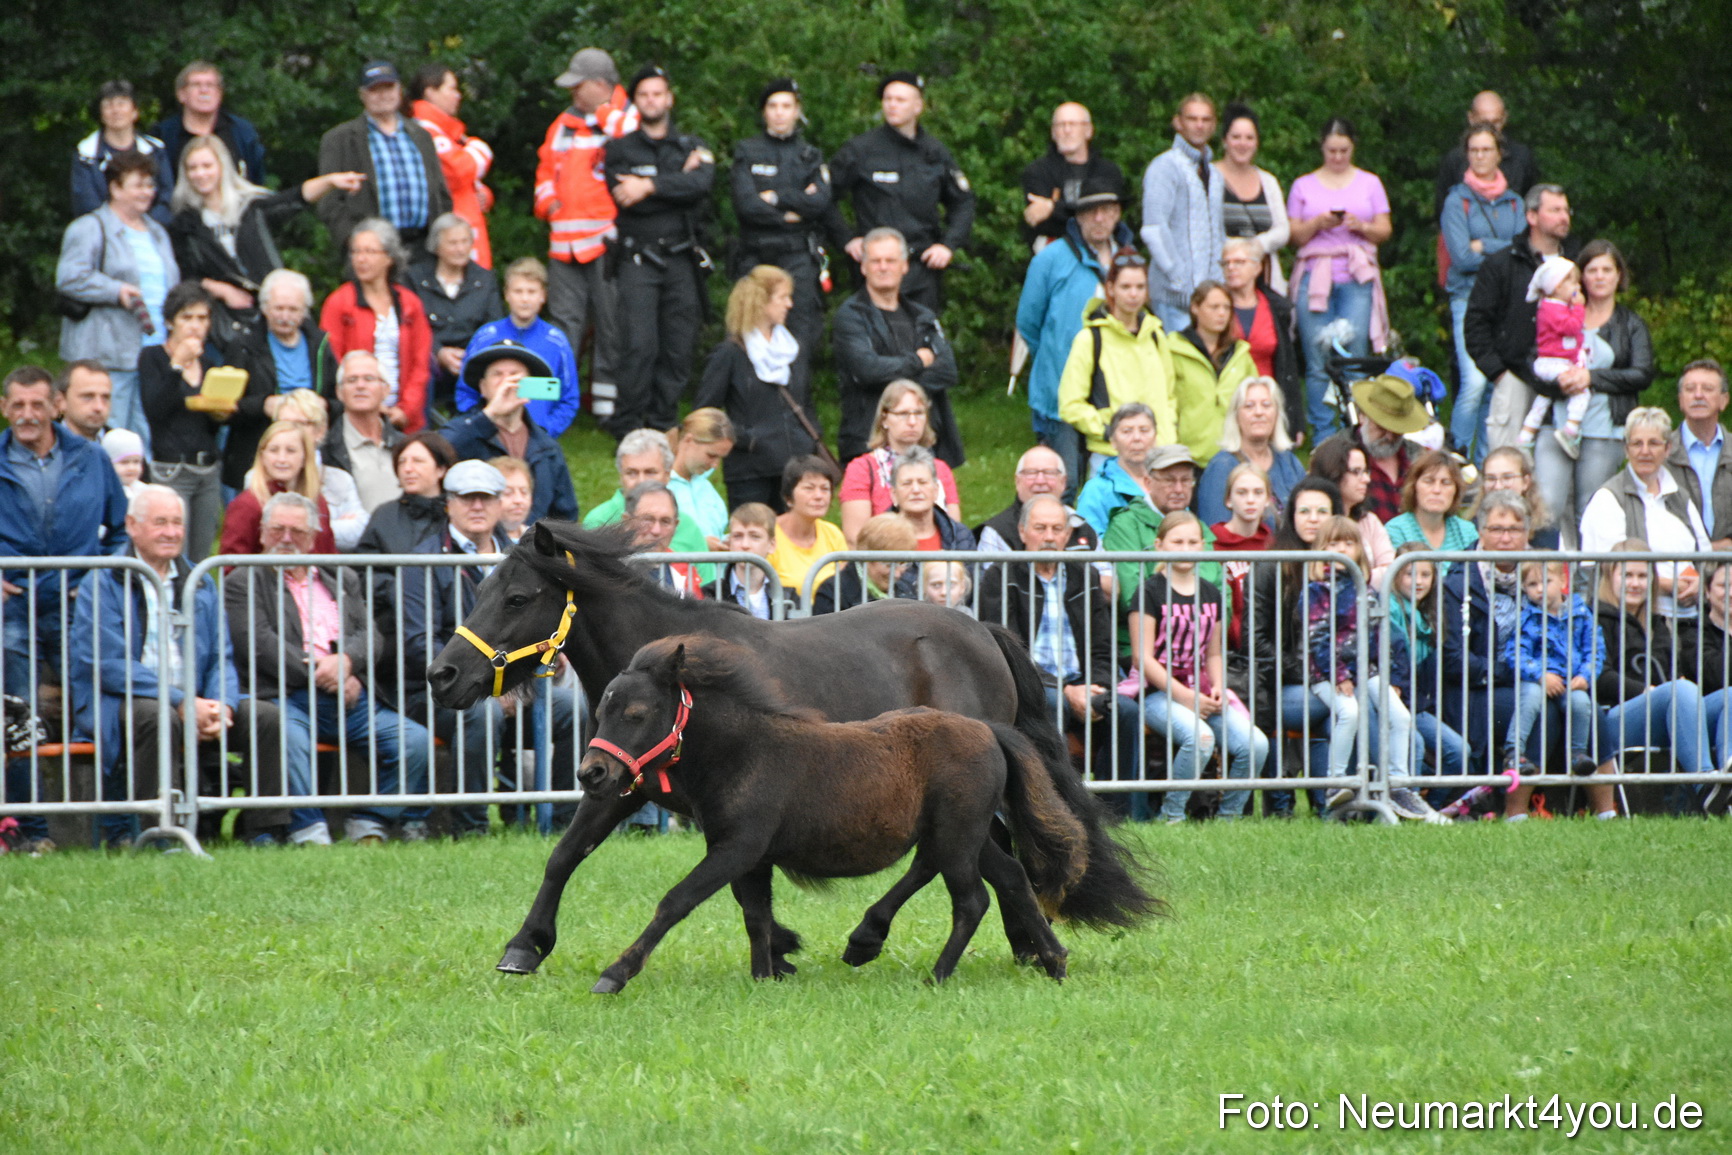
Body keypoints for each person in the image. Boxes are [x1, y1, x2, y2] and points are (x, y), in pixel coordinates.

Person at [68, 485, 291, 846]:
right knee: (160, 717)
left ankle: (265, 831)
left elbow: (221, 656)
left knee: (265, 717)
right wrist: (180, 700)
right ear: (132, 525)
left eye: (177, 522)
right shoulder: (104, 581)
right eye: (160, 523)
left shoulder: (201, 581)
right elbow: (107, 664)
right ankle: (159, 833)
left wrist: (222, 706)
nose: (171, 532)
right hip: (121, 701)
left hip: (194, 701)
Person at [226, 491, 436, 846]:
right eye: (278, 530)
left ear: (313, 538)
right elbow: (259, 643)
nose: (287, 539)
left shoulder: (340, 577)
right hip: (286, 696)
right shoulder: (244, 581)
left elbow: (370, 635)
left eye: (298, 531)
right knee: (288, 738)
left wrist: (349, 663)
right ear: (262, 533)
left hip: (351, 696)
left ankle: (370, 822)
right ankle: (308, 829)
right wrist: (324, 674)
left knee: (415, 741)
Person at [401, 461, 580, 837]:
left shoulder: (522, 559)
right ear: (448, 504)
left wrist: (540, 662)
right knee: (483, 715)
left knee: (574, 710)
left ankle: (567, 823)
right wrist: (487, 685)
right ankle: (472, 827)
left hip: (516, 684)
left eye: (486, 498)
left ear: (501, 504)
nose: (477, 506)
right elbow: (421, 644)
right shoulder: (422, 560)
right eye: (467, 498)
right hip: (444, 689)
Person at [981, 494, 1146, 817]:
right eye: (1040, 528)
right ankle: (1054, 810)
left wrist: (1096, 685)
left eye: (1057, 529)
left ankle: (1121, 813)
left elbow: (1103, 645)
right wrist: (1065, 690)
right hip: (1027, 684)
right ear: (1022, 531)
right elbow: (1008, 651)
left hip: (1081, 684)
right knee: (1054, 705)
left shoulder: (1084, 575)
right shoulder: (1002, 576)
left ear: (1068, 535)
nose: (1049, 537)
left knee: (1125, 711)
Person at [1126, 510, 1265, 822]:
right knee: (1200, 738)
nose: (1185, 547)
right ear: (1159, 545)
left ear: (1203, 545)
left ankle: (1229, 818)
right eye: (1177, 541)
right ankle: (1171, 815)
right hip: (1155, 692)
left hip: (1202, 690)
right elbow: (1143, 658)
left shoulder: (1212, 592)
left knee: (1256, 744)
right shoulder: (1147, 592)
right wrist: (1187, 698)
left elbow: (1214, 654)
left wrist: (1217, 687)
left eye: (1192, 541)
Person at [0, 366, 128, 702]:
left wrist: (99, 578)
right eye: (18, 405)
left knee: (90, 703)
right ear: (4, 407)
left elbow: (124, 530)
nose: (27, 415)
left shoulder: (93, 459)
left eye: (37, 405)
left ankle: (92, 757)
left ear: (56, 405)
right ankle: (27, 758)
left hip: (76, 602)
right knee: (19, 712)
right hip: (11, 603)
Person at [605, 65, 716, 434]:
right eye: (644, 94)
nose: (652, 100)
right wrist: (676, 182)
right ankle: (627, 426)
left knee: (679, 345)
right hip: (638, 258)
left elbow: (701, 186)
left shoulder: (691, 145)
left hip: (682, 257)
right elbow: (624, 198)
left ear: (669, 98)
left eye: (658, 93)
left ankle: (663, 423)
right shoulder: (620, 149)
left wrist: (649, 186)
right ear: (635, 102)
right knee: (638, 345)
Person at [166, 134, 365, 339]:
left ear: (222, 166)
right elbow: (185, 276)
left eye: (207, 166)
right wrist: (222, 290)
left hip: (273, 307)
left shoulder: (251, 207)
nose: (200, 174)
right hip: (227, 321)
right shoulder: (184, 224)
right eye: (193, 168)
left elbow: (296, 198)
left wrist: (330, 181)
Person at [1436, 490, 1573, 781]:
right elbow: (1454, 660)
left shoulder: (1541, 574)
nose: (1506, 538)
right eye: (1497, 529)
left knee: (1580, 704)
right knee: (1541, 708)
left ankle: (1588, 801)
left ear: (1527, 532)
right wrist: (1523, 673)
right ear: (1480, 531)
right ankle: (1516, 805)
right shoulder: (1458, 580)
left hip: (1534, 680)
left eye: (1515, 529)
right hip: (1475, 689)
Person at [1018, 174, 1140, 489]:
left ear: (1118, 213)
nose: (1099, 218)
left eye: (1107, 209)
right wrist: (1055, 356)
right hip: (1060, 393)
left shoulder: (1130, 260)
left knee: (1114, 484)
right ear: (1077, 216)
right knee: (1063, 482)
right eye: (1090, 211)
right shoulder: (1050, 260)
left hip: (1115, 392)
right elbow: (1029, 323)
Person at [536, 48, 635, 427]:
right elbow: (545, 170)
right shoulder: (561, 124)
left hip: (606, 240)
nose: (574, 94)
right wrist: (548, 202)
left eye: (580, 86)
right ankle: (553, 405)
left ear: (600, 85)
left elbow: (633, 138)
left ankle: (607, 409)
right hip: (563, 242)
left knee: (612, 325)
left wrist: (602, 111)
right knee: (563, 326)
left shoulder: (623, 117)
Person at [1532, 239, 1655, 541]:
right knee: (1547, 504)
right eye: (1592, 270)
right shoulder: (1555, 312)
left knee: (1592, 509)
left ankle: (1591, 587)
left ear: (1618, 276)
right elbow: (1532, 361)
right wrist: (1557, 381)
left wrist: (1592, 378)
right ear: (1580, 276)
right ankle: (1543, 583)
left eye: (1607, 270)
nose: (1599, 277)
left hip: (1605, 427)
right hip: (1555, 422)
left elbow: (1642, 373)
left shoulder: (1630, 323)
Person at [824, 71, 974, 315]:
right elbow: (824, 197)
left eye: (900, 100)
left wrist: (948, 245)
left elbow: (964, 201)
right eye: (888, 99)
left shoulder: (935, 153)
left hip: (921, 268)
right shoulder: (861, 149)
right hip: (876, 270)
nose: (892, 105)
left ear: (918, 106)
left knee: (922, 344)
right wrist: (846, 239)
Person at [57, 151, 179, 448]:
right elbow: (69, 277)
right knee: (108, 436)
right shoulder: (89, 227)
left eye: (150, 185)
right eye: (138, 185)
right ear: (115, 188)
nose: (147, 192)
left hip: (154, 352)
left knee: (144, 440)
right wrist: (116, 290)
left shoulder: (158, 232)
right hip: (107, 355)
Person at [1286, 117, 1393, 441]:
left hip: (1356, 276)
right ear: (1322, 148)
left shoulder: (1370, 183)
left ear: (1353, 147)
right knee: (1318, 361)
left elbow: (1384, 229)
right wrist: (1318, 222)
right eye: (1331, 150)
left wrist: (1360, 226)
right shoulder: (1303, 185)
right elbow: (1293, 235)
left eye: (1343, 150)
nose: (1337, 157)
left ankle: (1358, 431)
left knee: (1355, 357)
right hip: (1315, 276)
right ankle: (1324, 436)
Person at [1303, 516, 1418, 815]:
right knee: (1349, 711)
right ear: (1321, 549)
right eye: (1334, 543)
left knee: (1401, 718)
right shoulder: (1316, 590)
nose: (1342, 549)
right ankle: (1336, 780)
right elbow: (1317, 638)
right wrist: (1338, 674)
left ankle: (1398, 784)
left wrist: (1390, 676)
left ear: (1359, 549)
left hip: (1365, 670)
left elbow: (1381, 638)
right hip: (1326, 672)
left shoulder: (1365, 590)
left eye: (1349, 542)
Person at [1592, 543, 1712, 818]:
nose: (1636, 583)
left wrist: (1672, 687)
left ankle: (1725, 784)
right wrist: (1647, 691)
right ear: (1610, 577)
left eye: (1643, 576)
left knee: (1728, 697)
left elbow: (1676, 674)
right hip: (1611, 720)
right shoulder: (1595, 617)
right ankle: (1706, 783)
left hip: (1664, 711)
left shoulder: (1658, 623)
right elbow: (1599, 675)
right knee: (1678, 691)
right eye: (1628, 575)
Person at [1250, 478, 1346, 815]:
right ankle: (1287, 803)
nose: (1313, 518)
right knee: (1336, 708)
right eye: (1304, 510)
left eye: (1323, 511)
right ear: (1291, 516)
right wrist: (1308, 673)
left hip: (1329, 681)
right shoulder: (1269, 565)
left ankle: (1328, 806)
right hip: (1279, 684)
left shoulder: (1345, 568)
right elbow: (1256, 640)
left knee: (1343, 712)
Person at [1462, 183, 1578, 456]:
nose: (1564, 217)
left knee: (1557, 472)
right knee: (1508, 466)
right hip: (1514, 376)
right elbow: (1476, 323)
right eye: (1555, 210)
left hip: (1566, 378)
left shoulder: (1576, 264)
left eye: (1566, 210)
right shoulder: (1502, 264)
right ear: (1532, 217)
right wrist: (1499, 373)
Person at [693, 266, 820, 512]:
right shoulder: (730, 354)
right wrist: (746, 440)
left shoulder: (792, 350)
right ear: (761, 302)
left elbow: (806, 402)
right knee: (753, 540)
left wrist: (810, 440)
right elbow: (705, 411)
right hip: (749, 471)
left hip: (794, 468)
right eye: (782, 297)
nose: (790, 304)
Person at [832, 227, 962, 466]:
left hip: (923, 441)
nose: (883, 267)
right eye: (876, 261)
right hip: (869, 439)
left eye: (890, 261)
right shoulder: (850, 316)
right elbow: (868, 370)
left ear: (904, 266)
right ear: (863, 267)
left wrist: (895, 381)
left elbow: (947, 370)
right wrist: (918, 362)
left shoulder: (922, 315)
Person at [1440, 122, 1526, 462]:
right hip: (1466, 298)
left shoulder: (1515, 202)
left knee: (1496, 384)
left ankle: (1488, 466)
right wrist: (1500, 250)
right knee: (1473, 384)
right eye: (1473, 150)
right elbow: (1460, 257)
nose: (1479, 156)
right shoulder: (1455, 201)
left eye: (1486, 150)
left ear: (1499, 154)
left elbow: (1521, 251)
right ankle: (1456, 462)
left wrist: (1484, 245)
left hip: (1504, 301)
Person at [729, 78, 831, 364]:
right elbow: (746, 205)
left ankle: (797, 405)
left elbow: (820, 203)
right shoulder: (747, 152)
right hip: (756, 255)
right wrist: (792, 210)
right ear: (764, 112)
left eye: (786, 106)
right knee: (748, 333)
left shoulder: (810, 155)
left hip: (798, 256)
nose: (779, 112)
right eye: (772, 106)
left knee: (801, 336)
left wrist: (774, 197)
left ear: (797, 111)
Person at [1055, 253, 1179, 479]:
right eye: (1125, 287)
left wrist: (1167, 431)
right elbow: (1070, 403)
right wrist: (1108, 432)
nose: (1133, 294)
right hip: (1111, 457)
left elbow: (1169, 394)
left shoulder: (1156, 335)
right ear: (1110, 289)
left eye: (1140, 287)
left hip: (1158, 455)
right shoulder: (1090, 339)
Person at [1580, 408, 1710, 619]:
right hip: (1634, 622)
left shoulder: (1681, 497)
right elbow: (1609, 569)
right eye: (1637, 443)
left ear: (1668, 449)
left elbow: (1706, 556)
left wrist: (1699, 582)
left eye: (1654, 443)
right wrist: (1668, 585)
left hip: (1691, 618)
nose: (1645, 451)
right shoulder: (1608, 498)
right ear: (1626, 449)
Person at [316, 61, 451, 254]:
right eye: (375, 90)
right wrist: (353, 242)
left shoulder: (422, 136)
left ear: (399, 90)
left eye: (389, 88)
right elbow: (329, 202)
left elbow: (442, 194)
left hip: (425, 247)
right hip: (372, 249)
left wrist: (441, 240)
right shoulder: (339, 139)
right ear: (362, 95)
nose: (383, 95)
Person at [137, 281, 230, 560]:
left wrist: (220, 413)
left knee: (201, 556)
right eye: (186, 317)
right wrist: (176, 365)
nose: (195, 326)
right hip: (171, 469)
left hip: (207, 470)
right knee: (172, 553)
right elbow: (155, 409)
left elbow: (208, 427)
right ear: (169, 321)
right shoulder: (153, 357)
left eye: (202, 318)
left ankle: (195, 604)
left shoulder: (211, 364)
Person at [441, 340, 579, 526]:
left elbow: (565, 516)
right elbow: (437, 452)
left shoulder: (547, 447)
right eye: (497, 375)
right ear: (482, 387)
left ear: (529, 386)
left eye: (515, 375)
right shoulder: (464, 431)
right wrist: (490, 414)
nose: (506, 383)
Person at [224, 271, 340, 488]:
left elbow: (339, 401)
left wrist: (323, 406)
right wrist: (263, 405)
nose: (284, 316)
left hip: (310, 451)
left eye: (293, 309)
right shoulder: (244, 345)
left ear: (304, 312)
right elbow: (225, 408)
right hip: (256, 449)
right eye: (278, 308)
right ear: (265, 308)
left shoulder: (320, 344)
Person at [318, 219, 433, 433]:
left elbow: (421, 363)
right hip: (356, 415)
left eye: (370, 252)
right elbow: (333, 362)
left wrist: (406, 410)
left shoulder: (409, 303)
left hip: (404, 418)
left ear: (389, 257)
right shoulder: (339, 302)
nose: (361, 259)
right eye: (356, 252)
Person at [1500, 559, 1603, 786]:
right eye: (1531, 584)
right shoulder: (1528, 617)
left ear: (1563, 581)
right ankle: (1513, 752)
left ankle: (1578, 754)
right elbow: (1515, 652)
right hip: (1538, 679)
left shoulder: (1581, 613)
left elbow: (1594, 648)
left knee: (1581, 702)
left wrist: (1586, 675)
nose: (1539, 589)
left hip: (1570, 680)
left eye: (1546, 581)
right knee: (1530, 698)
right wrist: (1539, 675)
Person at [1383, 545, 1469, 806]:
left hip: (1416, 707)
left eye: (1425, 575)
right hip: (1393, 702)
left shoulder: (1431, 612)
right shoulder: (1388, 608)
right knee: (1415, 745)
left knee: (1458, 751)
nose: (1418, 582)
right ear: (1395, 575)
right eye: (1409, 574)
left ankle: (1430, 808)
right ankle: (1405, 807)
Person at [457, 257, 580, 435]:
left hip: (537, 436)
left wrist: (547, 431)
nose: (525, 299)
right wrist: (480, 425)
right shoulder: (485, 337)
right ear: (507, 294)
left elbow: (569, 398)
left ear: (543, 296)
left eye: (531, 292)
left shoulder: (556, 342)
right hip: (490, 435)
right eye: (518, 291)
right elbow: (466, 391)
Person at [1139, 94, 1223, 334]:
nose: (1199, 125)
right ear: (1178, 122)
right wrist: (1178, 279)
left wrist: (1219, 284)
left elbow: (1217, 231)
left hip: (1208, 297)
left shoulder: (1215, 174)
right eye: (1192, 118)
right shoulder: (1164, 166)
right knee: (1178, 364)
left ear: (1214, 125)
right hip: (1173, 296)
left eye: (1206, 119)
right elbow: (1154, 228)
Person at [839, 380, 961, 545]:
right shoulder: (862, 469)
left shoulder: (941, 469)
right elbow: (856, 538)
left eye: (918, 413)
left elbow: (955, 532)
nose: (912, 422)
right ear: (884, 419)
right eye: (903, 414)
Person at [409, 214, 502, 412]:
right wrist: (438, 352)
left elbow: (493, 326)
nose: (460, 249)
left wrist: (472, 356)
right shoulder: (414, 279)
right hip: (429, 356)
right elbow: (410, 325)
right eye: (453, 243)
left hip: (473, 357)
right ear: (436, 246)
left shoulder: (485, 279)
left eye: (465, 242)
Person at [409, 63, 494, 269]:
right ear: (430, 92)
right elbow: (457, 172)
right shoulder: (425, 130)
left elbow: (464, 183)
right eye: (452, 88)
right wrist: (481, 150)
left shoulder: (446, 131)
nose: (458, 95)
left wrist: (483, 193)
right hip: (450, 233)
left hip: (461, 229)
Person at [1219, 235, 1303, 439]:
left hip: (1267, 402)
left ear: (1257, 268)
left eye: (1239, 262)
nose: (1231, 268)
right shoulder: (1215, 305)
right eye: (1226, 263)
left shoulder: (1276, 307)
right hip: (1226, 404)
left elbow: (1288, 365)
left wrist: (1295, 419)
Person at [1317, 374, 1429, 524]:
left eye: (1397, 431)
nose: (1389, 437)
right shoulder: (1335, 455)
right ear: (1362, 416)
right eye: (1381, 428)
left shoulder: (1418, 457)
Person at [1196, 376, 1304, 527]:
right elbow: (1215, 532)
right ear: (1236, 416)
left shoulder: (1289, 463)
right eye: (1249, 406)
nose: (1259, 412)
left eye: (1266, 405)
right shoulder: (1221, 467)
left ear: (1277, 414)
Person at [220, 421, 338, 556]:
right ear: (262, 456)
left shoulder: (318, 502)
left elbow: (329, 556)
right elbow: (231, 565)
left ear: (305, 457)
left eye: (291, 451)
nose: (282, 459)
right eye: (274, 450)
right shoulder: (247, 504)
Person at [270, 390, 369, 551]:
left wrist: (300, 529)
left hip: (326, 572)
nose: (292, 431)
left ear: (320, 430)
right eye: (284, 424)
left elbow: (359, 532)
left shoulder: (340, 479)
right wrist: (332, 526)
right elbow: (265, 532)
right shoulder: (258, 478)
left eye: (301, 424)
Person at [1170, 281, 1256, 465]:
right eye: (1214, 307)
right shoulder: (1174, 350)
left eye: (1226, 308)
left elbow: (1253, 400)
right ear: (1195, 308)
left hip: (1234, 453)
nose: (1222, 314)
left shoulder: (1241, 354)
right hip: (1188, 455)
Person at [1020, 102, 1123, 250]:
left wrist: (1053, 208)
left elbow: (1110, 218)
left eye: (1073, 124)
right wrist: (1088, 214)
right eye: (1061, 125)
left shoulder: (1108, 172)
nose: (1066, 130)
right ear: (1053, 133)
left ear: (1088, 131)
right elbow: (1041, 222)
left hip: (1100, 250)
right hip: (1054, 252)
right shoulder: (1037, 172)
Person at [71, 79, 172, 223]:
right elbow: (86, 205)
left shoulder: (156, 150)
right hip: (103, 235)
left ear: (135, 112)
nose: (115, 110)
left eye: (121, 103)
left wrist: (142, 227)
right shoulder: (86, 155)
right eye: (108, 105)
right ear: (101, 114)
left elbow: (166, 200)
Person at [151, 61, 267, 185]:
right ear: (181, 94)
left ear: (220, 93)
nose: (204, 90)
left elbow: (256, 180)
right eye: (196, 85)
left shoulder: (242, 132)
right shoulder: (163, 136)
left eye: (210, 85)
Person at [1213, 103, 1290, 291]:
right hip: (1222, 278)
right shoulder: (1210, 178)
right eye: (1236, 137)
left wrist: (1257, 245)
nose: (1242, 144)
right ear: (1224, 140)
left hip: (1264, 278)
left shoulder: (1268, 181)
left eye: (1249, 138)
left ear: (1257, 143)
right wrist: (1237, 252)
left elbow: (1283, 230)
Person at [1517, 255, 1589, 452]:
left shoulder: (1554, 307)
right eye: (1572, 282)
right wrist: (1580, 307)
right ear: (1557, 286)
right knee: (1582, 391)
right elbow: (1571, 327)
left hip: (1554, 362)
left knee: (1543, 398)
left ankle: (1526, 433)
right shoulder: (1552, 308)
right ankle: (1571, 429)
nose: (1577, 287)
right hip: (1553, 363)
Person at [973, 445, 1100, 556]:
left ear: (1063, 482)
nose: (1040, 481)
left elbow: (1108, 576)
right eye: (1031, 473)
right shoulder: (996, 532)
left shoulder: (1082, 526)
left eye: (1049, 473)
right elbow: (993, 582)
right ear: (1017, 481)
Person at [320, 351, 406, 513]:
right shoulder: (326, 451)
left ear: (386, 390)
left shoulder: (405, 447)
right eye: (352, 380)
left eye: (369, 379)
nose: (360, 386)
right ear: (339, 392)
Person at [1305, 434, 1395, 586]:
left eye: (1366, 471)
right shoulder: (1313, 520)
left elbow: (1392, 570)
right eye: (1356, 472)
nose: (1366, 479)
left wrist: (1354, 579)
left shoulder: (1369, 521)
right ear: (1333, 472)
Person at [1433, 90, 1541, 215]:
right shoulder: (1455, 159)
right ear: (1471, 119)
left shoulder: (1521, 157)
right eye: (1484, 123)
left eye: (1496, 122)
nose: (1491, 130)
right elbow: (1442, 210)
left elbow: (1532, 207)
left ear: (1504, 118)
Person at [354, 430, 454, 555]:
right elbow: (368, 568)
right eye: (401, 462)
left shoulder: (457, 513)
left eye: (417, 461)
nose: (407, 469)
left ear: (441, 469)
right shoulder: (385, 515)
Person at [1667, 359, 1732, 549]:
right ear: (1680, 400)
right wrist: (1709, 549)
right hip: (1678, 566)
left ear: (1724, 400)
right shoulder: (1661, 454)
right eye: (1690, 389)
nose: (1698, 395)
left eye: (1708, 388)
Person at [1075, 403, 1162, 539]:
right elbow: (1089, 543)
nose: (1137, 438)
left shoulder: (1170, 484)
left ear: (1155, 437)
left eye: (1144, 430)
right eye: (1127, 431)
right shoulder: (1096, 491)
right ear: (1113, 441)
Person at [808, 512, 917, 615]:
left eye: (903, 563)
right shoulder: (833, 592)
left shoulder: (908, 589)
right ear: (866, 556)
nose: (897, 574)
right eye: (888, 564)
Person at [769, 454, 846, 596]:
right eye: (809, 488)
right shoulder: (769, 534)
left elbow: (846, 586)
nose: (818, 496)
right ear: (788, 497)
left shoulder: (833, 534)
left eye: (825, 489)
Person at [1384, 450, 1480, 563]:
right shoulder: (1396, 530)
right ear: (1414, 487)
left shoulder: (1467, 532)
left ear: (1456, 490)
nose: (1437, 490)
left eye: (1446, 483)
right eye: (1429, 481)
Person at [667, 408, 734, 549]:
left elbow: (715, 533)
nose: (715, 465)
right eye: (711, 455)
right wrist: (699, 544)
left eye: (720, 458)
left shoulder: (706, 488)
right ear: (689, 440)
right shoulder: (659, 485)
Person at [1473, 445, 1560, 550]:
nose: (1498, 486)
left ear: (1525, 482)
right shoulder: (1471, 527)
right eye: (1491, 479)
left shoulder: (1546, 532)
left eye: (1507, 477)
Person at [627, 482, 704, 599]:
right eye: (647, 520)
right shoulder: (608, 569)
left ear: (675, 526)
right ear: (627, 521)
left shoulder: (684, 570)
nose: (656, 531)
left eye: (665, 521)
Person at [889, 449, 975, 553]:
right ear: (894, 494)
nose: (916, 490)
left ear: (936, 491)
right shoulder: (879, 537)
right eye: (907, 483)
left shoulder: (960, 535)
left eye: (922, 482)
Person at [721, 503, 781, 619]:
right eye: (737, 536)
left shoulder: (788, 597)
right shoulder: (710, 595)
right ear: (729, 543)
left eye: (755, 536)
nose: (745, 545)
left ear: (772, 545)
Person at [53, 360, 114, 444]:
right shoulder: (40, 447)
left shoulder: (124, 449)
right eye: (88, 397)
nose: (99, 407)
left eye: (105, 398)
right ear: (61, 401)